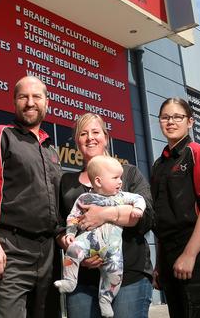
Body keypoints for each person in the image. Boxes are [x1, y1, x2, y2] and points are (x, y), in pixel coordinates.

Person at [0, 76, 62, 318]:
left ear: (46, 102)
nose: (30, 102)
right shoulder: (0, 135)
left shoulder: (51, 150)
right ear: (14, 102)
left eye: (36, 96)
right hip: (9, 250)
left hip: (49, 254)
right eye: (23, 97)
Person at [58, 113, 154, 318]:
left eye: (95, 132)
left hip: (129, 277)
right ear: (77, 142)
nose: (89, 137)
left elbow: (147, 218)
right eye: (83, 134)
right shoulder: (67, 182)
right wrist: (74, 249)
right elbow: (58, 226)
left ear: (106, 137)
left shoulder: (128, 174)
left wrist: (105, 214)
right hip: (82, 283)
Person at [151, 97, 200, 318]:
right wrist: (159, 265)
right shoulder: (159, 165)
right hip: (172, 266)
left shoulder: (198, 153)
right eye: (165, 117)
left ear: (190, 121)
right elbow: (161, 221)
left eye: (177, 117)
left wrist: (189, 254)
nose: (171, 122)